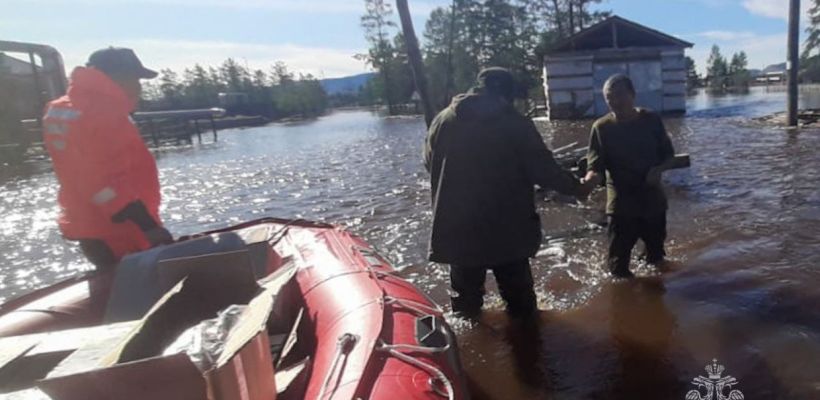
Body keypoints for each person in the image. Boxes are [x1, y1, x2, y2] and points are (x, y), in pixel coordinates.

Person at [424, 67, 594, 319]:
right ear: (504, 95)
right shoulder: (514, 124)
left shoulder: (442, 120)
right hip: (505, 229)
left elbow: (429, 163)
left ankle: (468, 352)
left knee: (465, 308)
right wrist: (579, 187)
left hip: (457, 229)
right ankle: (528, 353)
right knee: (521, 307)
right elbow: (544, 170)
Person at [43, 47, 173, 271]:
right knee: (138, 295)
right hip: (120, 231)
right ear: (117, 77)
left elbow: (82, 172)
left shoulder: (60, 109)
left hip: (91, 226)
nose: (139, 87)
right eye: (136, 79)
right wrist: (148, 226)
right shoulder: (103, 113)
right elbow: (104, 181)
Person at [583, 74, 676, 278]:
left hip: (653, 201)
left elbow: (670, 156)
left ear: (632, 95)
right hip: (621, 206)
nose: (615, 102)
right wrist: (589, 180)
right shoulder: (601, 128)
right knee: (618, 269)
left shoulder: (651, 120)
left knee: (656, 261)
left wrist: (658, 169)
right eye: (609, 97)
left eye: (619, 95)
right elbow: (595, 166)